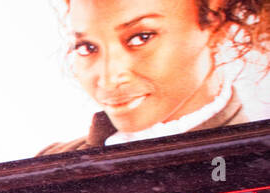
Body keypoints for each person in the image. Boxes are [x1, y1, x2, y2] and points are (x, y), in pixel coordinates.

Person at [40, 0, 270, 154]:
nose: (108, 79)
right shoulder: (47, 163)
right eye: (87, 47)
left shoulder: (257, 165)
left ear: (215, 24)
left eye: (141, 37)